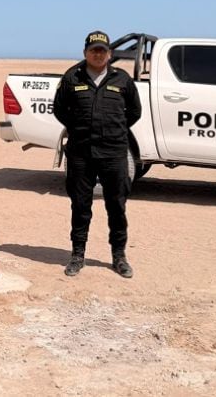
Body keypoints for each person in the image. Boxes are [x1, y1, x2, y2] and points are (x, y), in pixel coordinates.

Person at [51, 30, 142, 278]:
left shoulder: (121, 79)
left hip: (113, 153)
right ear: (85, 53)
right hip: (81, 153)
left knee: (116, 206)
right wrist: (79, 127)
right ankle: (77, 255)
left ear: (109, 54)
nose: (98, 54)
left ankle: (119, 256)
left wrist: (113, 129)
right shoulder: (72, 77)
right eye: (94, 50)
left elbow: (134, 112)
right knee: (80, 206)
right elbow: (59, 109)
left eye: (102, 50)